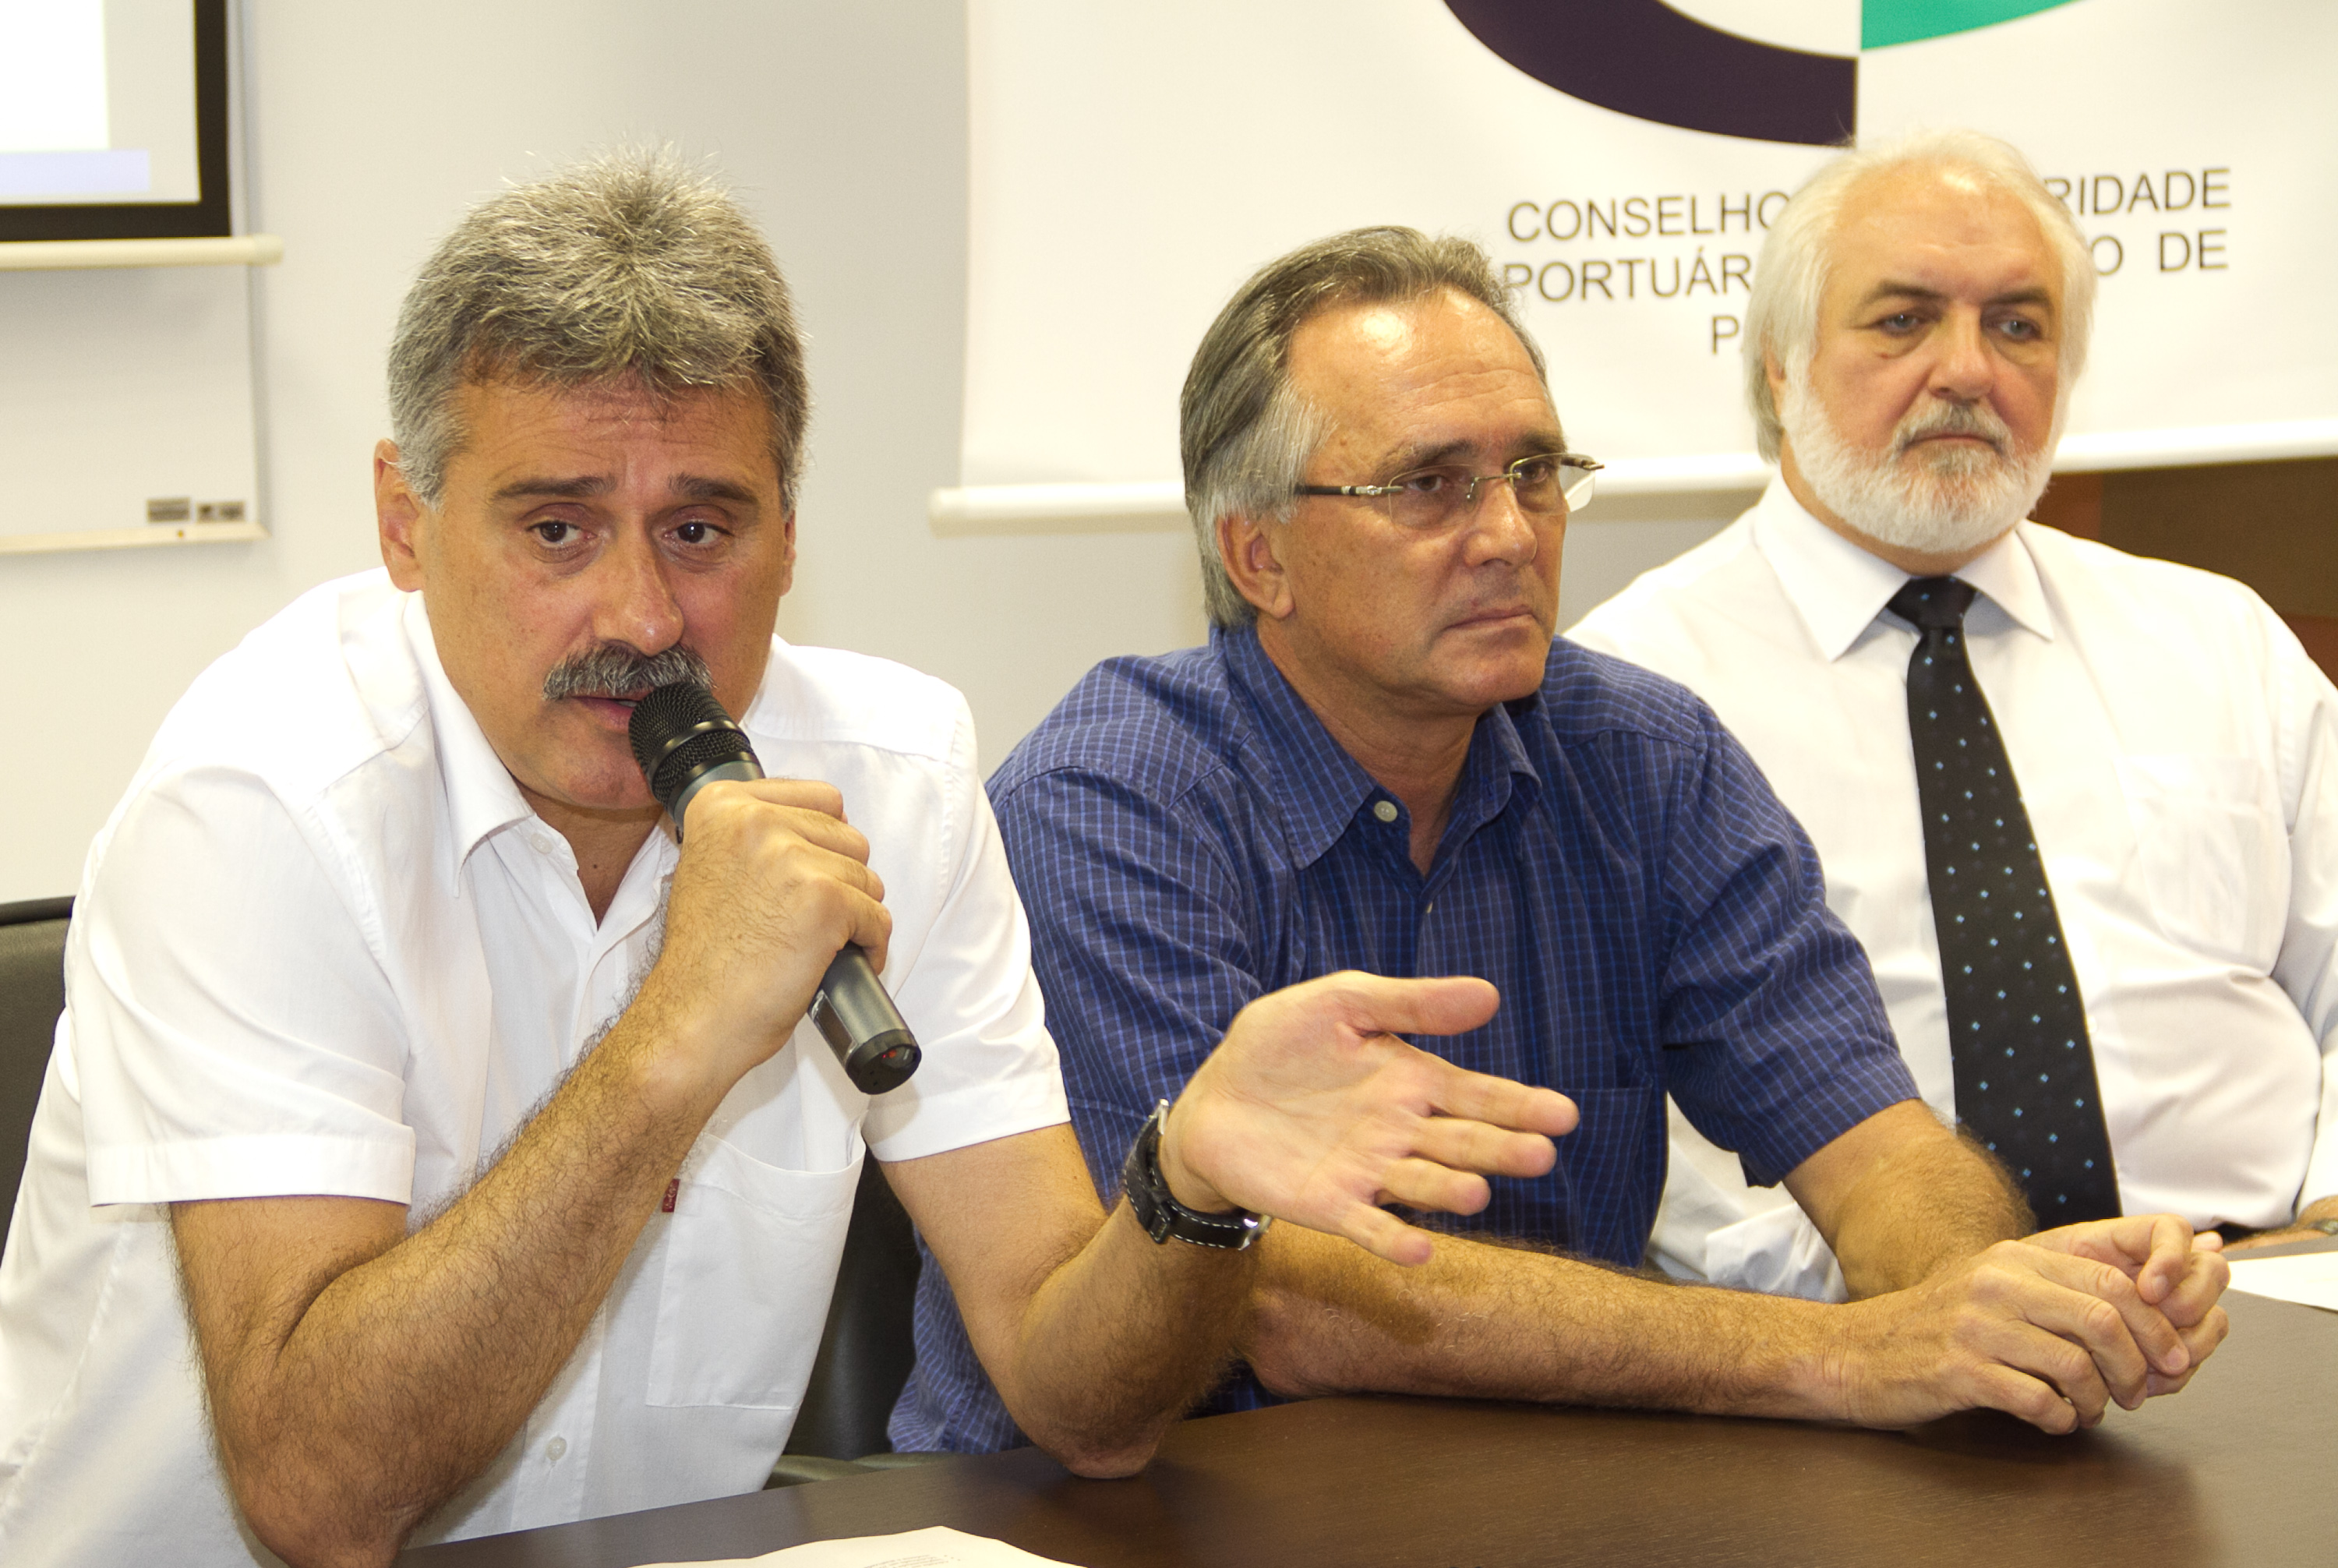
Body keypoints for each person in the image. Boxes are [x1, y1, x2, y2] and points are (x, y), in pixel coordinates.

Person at [0, 155, 1580, 1568]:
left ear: (791, 530)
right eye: (556, 529)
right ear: (405, 524)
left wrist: (1185, 1192)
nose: (636, 616)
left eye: (702, 531)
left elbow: (1067, 1389)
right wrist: (678, 1032)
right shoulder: (263, 796)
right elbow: (323, 1501)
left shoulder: (889, 771)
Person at [895, 224, 2230, 1456]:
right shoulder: (1113, 796)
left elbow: (1876, 1148)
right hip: (1130, 1516)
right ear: (1260, 558)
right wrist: (1837, 1357)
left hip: (1540, 1493)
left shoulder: (1645, 758)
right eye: (1430, 486)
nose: (1509, 535)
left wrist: (1991, 1303)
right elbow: (1282, 1304)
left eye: (1535, 473)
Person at [1571, 129, 2338, 1299]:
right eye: (1903, 319)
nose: (1969, 370)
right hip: (1853, 1343)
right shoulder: (1628, 694)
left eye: (2018, 325)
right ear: (1780, 367)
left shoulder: (2220, 639)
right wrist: (1898, 1308)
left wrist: (2327, 1230)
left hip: (2264, 1296)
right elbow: (1622, 1116)